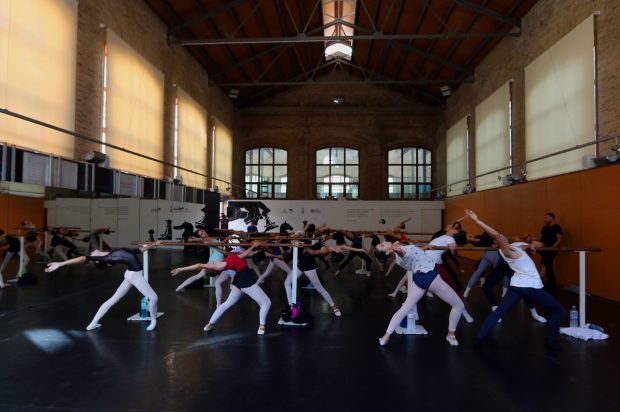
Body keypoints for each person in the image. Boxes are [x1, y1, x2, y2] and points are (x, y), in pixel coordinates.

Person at [464, 209, 566, 351]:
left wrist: (531, 245)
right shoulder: (507, 251)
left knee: (499, 312)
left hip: (516, 285)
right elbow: (496, 235)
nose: (503, 237)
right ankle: (550, 341)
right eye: (501, 239)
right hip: (530, 287)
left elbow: (524, 245)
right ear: (499, 243)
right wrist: (477, 220)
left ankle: (479, 339)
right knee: (560, 311)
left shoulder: (514, 246)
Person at [45, 241, 163, 331]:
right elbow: (82, 258)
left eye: (91, 251)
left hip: (130, 274)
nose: (91, 252)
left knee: (113, 300)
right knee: (153, 298)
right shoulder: (106, 257)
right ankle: (153, 321)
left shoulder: (110, 252)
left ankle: (93, 323)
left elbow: (138, 250)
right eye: (91, 253)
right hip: (134, 276)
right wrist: (61, 263)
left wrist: (154, 244)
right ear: (97, 261)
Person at [376, 240, 465, 346]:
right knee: (459, 305)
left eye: (382, 242)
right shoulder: (400, 253)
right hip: (430, 277)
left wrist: (426, 247)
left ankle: (385, 337)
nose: (384, 242)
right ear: (387, 252)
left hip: (418, 280)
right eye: (382, 245)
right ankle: (451, 334)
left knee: (404, 309)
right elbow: (404, 254)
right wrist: (399, 250)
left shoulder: (398, 256)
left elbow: (414, 253)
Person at [171, 241, 271, 335]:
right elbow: (199, 265)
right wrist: (182, 269)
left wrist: (253, 246)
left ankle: (209, 324)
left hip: (238, 282)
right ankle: (262, 326)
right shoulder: (220, 266)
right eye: (209, 268)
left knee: (226, 304)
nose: (210, 263)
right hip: (246, 282)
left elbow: (243, 255)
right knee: (267, 302)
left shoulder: (226, 259)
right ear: (214, 270)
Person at [284, 241, 342, 316]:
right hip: (301, 264)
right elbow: (345, 246)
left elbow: (312, 252)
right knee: (287, 283)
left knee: (319, 287)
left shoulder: (325, 250)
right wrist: (359, 250)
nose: (327, 259)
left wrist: (301, 244)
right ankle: (291, 306)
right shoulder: (328, 246)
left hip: (309, 266)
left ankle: (334, 307)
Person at [538, 212, 563, 294]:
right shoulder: (544, 228)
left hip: (551, 250)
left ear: (552, 218)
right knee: (547, 266)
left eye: (547, 218)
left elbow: (559, 238)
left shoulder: (557, 227)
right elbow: (540, 238)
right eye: (544, 218)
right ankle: (551, 286)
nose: (545, 219)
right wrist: (530, 238)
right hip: (544, 249)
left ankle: (539, 284)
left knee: (544, 265)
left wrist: (553, 247)